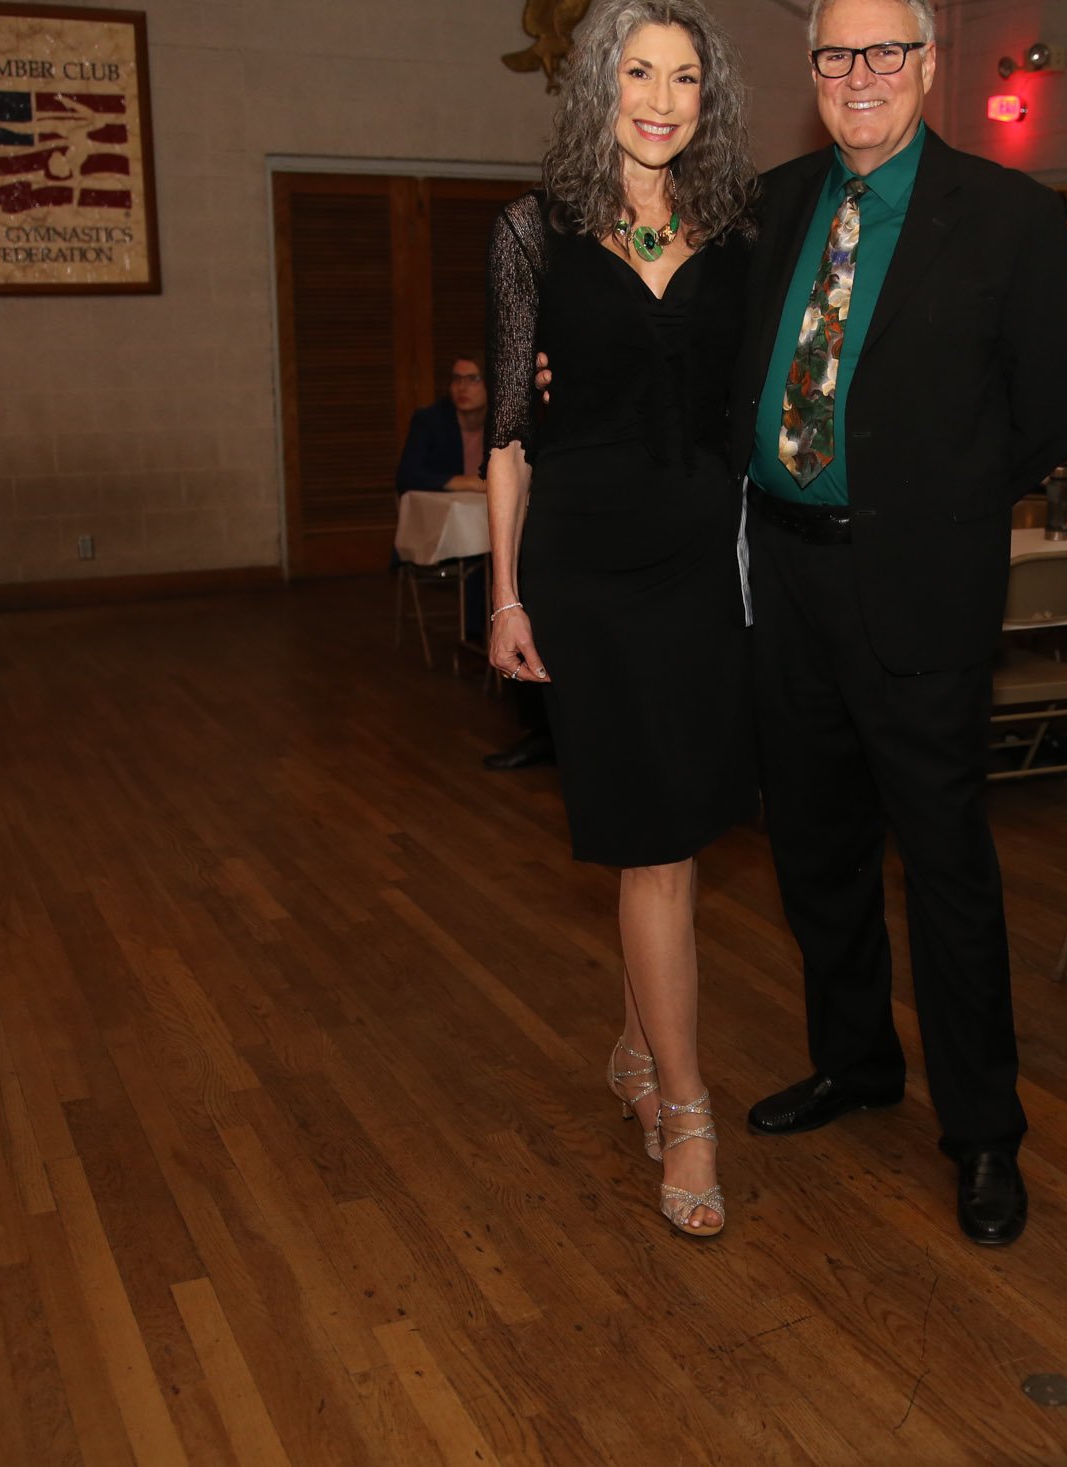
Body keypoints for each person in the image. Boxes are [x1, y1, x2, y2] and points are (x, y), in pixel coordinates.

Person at [734, 0, 1067, 1246]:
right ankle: (854, 1062)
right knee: (814, 848)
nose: (861, 74)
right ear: (812, 69)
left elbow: (1059, 407)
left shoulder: (1006, 217)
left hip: (919, 585)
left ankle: (983, 1132)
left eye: (886, 51)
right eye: (836, 53)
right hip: (782, 577)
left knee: (944, 869)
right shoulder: (773, 205)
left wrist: (934, 499)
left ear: (930, 66)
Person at [482, 0, 757, 1238]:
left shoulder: (739, 235)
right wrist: (503, 594)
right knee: (656, 846)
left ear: (709, 97)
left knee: (677, 832)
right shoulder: (530, 232)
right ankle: (687, 1110)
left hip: (699, 572)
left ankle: (638, 1048)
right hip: (586, 573)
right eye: (637, 72)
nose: (659, 99)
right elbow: (507, 433)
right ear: (598, 85)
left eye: (684, 77)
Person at [395, 352, 489, 492]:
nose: (462, 387)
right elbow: (407, 477)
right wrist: (468, 482)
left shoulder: (505, 424)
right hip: (445, 505)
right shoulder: (429, 420)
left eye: (473, 379)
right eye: (456, 378)